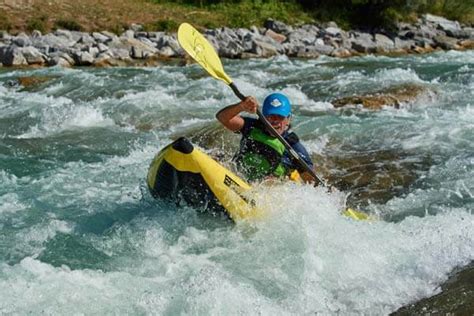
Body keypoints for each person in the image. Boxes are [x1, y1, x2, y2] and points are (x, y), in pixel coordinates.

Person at [216, 92, 315, 183]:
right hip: (239, 176)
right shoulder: (252, 126)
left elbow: (312, 184)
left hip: (267, 192)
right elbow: (222, 117)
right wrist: (241, 106)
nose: (275, 121)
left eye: (280, 117)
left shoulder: (293, 146)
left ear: (288, 119)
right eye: (271, 116)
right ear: (263, 117)